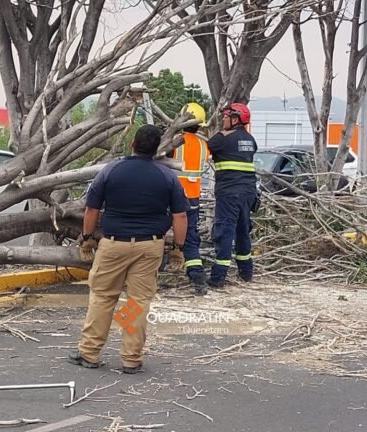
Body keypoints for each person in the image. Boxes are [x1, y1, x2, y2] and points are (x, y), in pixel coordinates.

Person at [71, 125, 188, 374]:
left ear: (133, 144)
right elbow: (180, 216)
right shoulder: (167, 176)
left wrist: (88, 238)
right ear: (156, 149)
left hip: (114, 244)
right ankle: (131, 359)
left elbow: (92, 210)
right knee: (137, 302)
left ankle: (89, 353)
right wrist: (178, 248)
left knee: (103, 297)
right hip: (149, 245)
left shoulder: (112, 170)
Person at [207, 102, 258, 288]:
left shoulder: (222, 138)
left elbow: (208, 147)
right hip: (248, 193)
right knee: (243, 230)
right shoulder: (250, 140)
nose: (223, 119)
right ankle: (246, 273)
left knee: (224, 231)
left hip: (229, 193)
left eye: (226, 117)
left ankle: (218, 277)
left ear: (235, 119)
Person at [167, 103, 211, 295]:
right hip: (192, 198)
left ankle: (151, 273)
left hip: (171, 197)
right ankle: (197, 277)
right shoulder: (204, 145)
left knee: (157, 234)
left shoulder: (175, 142)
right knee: (191, 238)